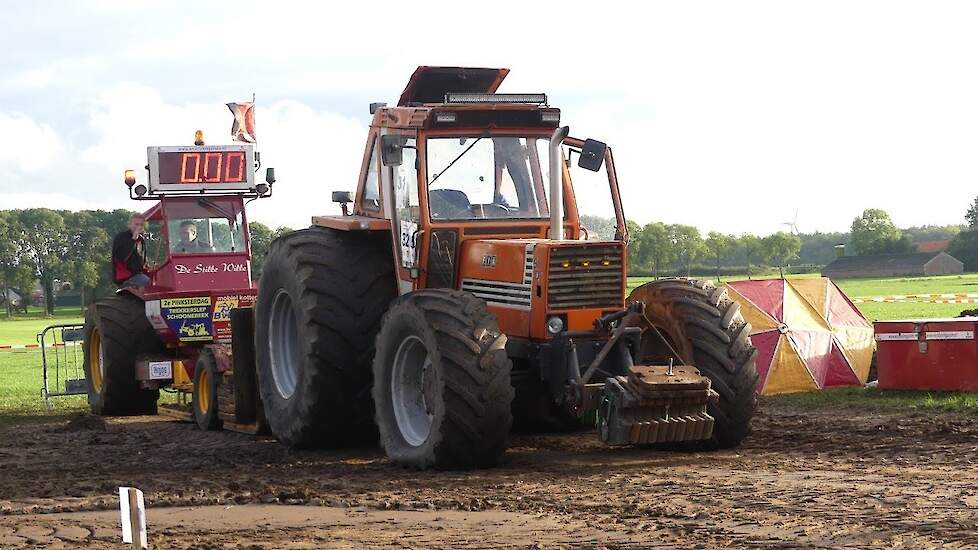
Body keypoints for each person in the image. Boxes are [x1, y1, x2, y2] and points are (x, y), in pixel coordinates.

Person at [112, 214, 150, 288]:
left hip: (140, 274)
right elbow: (122, 257)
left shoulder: (141, 240)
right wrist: (133, 239)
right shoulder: (121, 237)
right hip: (126, 276)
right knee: (145, 281)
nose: (139, 227)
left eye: (141, 224)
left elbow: (143, 261)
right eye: (136, 224)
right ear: (129, 225)